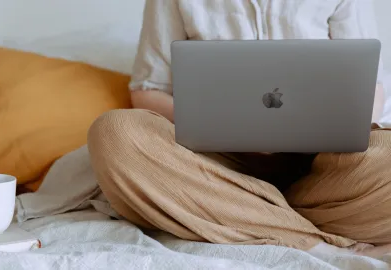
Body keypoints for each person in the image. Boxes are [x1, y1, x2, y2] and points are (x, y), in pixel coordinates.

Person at [87, 0, 391, 258]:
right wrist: (220, 123)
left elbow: (370, 87)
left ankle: (241, 216)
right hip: (215, 164)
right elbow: (148, 91)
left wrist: (335, 128)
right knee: (115, 133)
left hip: (322, 168)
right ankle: (310, 238)